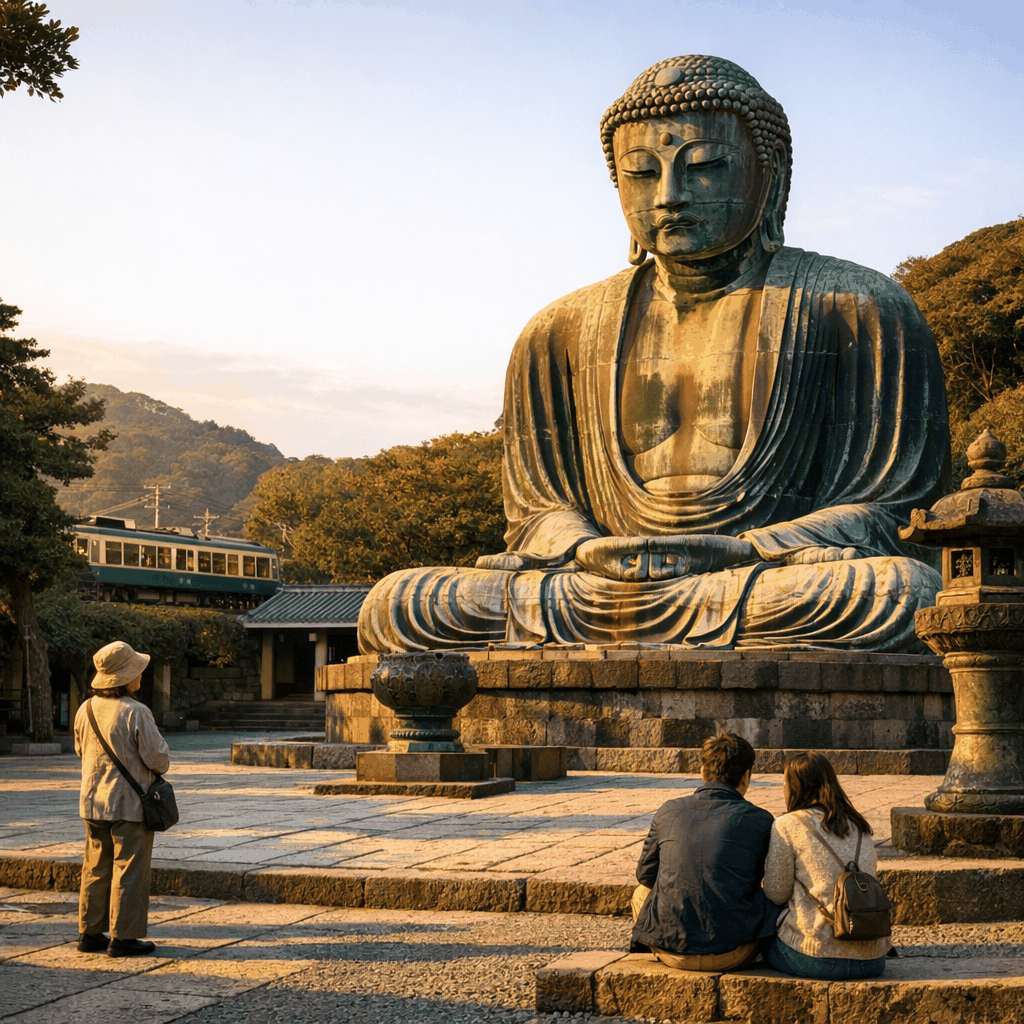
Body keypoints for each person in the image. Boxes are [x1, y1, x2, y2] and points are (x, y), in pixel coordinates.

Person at [358, 54, 949, 655]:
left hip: (767, 579)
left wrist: (748, 548)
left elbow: (896, 511)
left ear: (770, 173)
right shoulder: (558, 330)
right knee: (399, 603)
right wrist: (584, 547)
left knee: (898, 593)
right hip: (595, 587)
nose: (670, 196)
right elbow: (538, 514)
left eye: (705, 167)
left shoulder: (858, 306)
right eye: (641, 174)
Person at [630, 731, 779, 970]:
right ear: (746, 777)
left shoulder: (668, 811)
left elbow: (645, 876)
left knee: (640, 893)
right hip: (735, 953)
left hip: (670, 950)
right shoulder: (761, 820)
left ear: (702, 772)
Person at [75, 640, 170, 957]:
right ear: (127, 676)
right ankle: (124, 937)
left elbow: (80, 751)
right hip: (129, 803)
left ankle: (90, 933)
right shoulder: (137, 712)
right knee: (129, 869)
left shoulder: (85, 709)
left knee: (95, 867)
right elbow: (157, 759)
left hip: (92, 801)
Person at [762, 752, 889, 979]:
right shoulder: (859, 826)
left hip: (817, 956)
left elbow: (776, 893)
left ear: (795, 786)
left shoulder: (787, 825)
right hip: (874, 960)